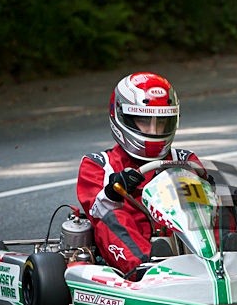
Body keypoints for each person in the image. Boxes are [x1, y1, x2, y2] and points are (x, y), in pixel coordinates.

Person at [77, 72, 201, 278]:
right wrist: (113, 191)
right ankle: (146, 268)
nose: (154, 130)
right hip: (133, 245)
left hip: (184, 240)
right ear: (122, 117)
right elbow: (96, 210)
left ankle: (232, 257)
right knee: (110, 217)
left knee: (223, 205)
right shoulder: (98, 164)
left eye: (161, 122)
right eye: (144, 120)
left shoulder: (184, 159)